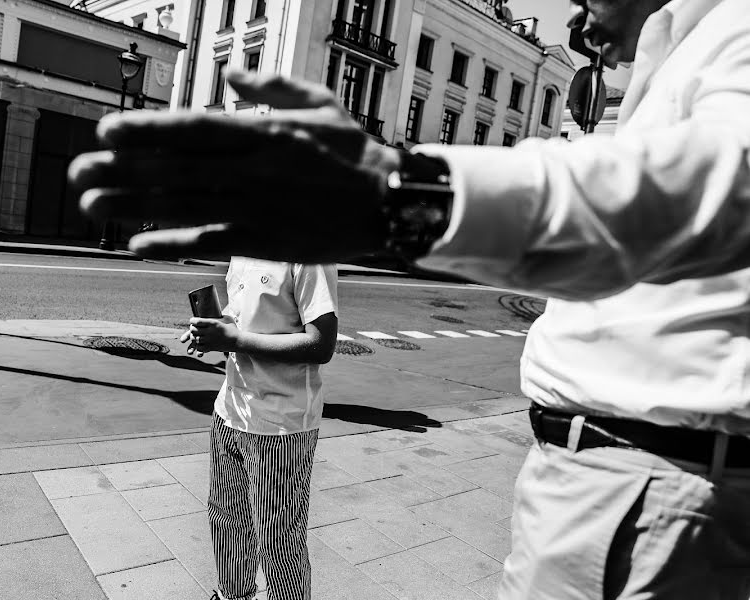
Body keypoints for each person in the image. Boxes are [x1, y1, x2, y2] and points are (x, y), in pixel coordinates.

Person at [71, 0, 750, 596]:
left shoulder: (733, 33)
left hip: (650, 475)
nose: (572, 23)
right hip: (593, 469)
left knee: (277, 545)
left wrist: (408, 197)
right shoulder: (669, 63)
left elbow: (710, 187)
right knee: (227, 524)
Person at [180, 257, 337, 600]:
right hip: (230, 409)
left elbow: (322, 343)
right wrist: (215, 331)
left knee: (278, 539)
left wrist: (234, 340)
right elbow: (242, 321)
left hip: (280, 423)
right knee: (226, 519)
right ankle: (232, 595)